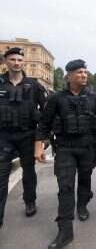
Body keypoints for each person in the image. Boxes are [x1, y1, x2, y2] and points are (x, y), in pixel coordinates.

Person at [34, 59, 96, 249]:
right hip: (65, 148)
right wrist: (38, 146)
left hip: (87, 148)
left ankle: (83, 204)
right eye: (79, 72)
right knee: (66, 187)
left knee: (85, 179)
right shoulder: (56, 98)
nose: (84, 75)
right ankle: (65, 231)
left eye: (85, 72)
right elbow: (44, 124)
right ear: (69, 76)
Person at [0, 47, 47, 228]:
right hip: (3, 136)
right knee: (1, 176)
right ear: (5, 62)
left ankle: (30, 200)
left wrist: (41, 140)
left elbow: (45, 113)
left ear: (23, 62)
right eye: (12, 59)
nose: (17, 63)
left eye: (20, 60)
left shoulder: (34, 86)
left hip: (27, 135)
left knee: (29, 172)